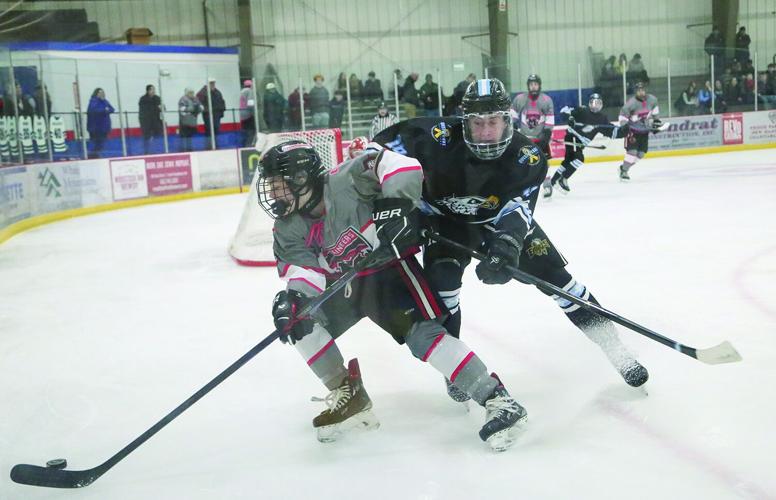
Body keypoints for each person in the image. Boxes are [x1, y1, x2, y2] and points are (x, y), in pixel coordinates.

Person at [373, 78, 649, 394]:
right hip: (444, 223)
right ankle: (456, 370)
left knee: (560, 282)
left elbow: (517, 214)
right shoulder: (434, 137)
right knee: (443, 286)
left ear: (508, 120)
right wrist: (395, 206)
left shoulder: (527, 157)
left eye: (494, 122)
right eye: (477, 123)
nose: (486, 131)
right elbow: (376, 149)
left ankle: (617, 351)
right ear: (465, 122)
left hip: (497, 222)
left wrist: (507, 247)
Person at [257, 139, 526, 451]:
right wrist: (295, 299)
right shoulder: (287, 226)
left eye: (279, 186)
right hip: (343, 284)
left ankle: (497, 398)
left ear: (302, 179)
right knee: (300, 324)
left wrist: (396, 203)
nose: (274, 195)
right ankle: (349, 394)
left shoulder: (349, 178)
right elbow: (303, 269)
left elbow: (403, 166)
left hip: (387, 271)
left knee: (424, 337)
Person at [543, 93, 629, 198]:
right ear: (589, 103)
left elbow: (612, 132)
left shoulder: (602, 119)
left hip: (580, 143)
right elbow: (564, 111)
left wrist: (624, 131)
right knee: (579, 158)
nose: (595, 105)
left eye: (598, 103)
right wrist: (570, 118)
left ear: (601, 105)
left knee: (568, 161)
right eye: (593, 103)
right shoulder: (582, 110)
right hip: (573, 137)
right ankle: (563, 179)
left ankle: (553, 181)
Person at [617, 81, 662, 181]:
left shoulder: (652, 100)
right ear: (635, 92)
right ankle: (624, 172)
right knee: (632, 152)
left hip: (644, 131)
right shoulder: (630, 104)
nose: (641, 92)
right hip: (632, 131)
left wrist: (656, 122)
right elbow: (622, 116)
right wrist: (625, 127)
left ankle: (623, 168)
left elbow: (655, 112)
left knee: (640, 154)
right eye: (638, 90)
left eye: (642, 90)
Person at [510, 74, 555, 157]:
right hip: (524, 140)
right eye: (531, 85)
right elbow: (512, 118)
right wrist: (513, 130)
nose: (533, 87)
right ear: (528, 86)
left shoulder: (547, 100)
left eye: (535, 84)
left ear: (539, 86)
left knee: (543, 166)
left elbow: (550, 121)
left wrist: (545, 137)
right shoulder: (520, 99)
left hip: (540, 140)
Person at [197, 78, 226, 149]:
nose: (212, 84)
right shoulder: (203, 92)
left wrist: (221, 111)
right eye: (211, 83)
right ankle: (209, 146)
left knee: (216, 130)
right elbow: (199, 103)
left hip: (216, 115)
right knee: (209, 130)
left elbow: (222, 101)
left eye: (213, 83)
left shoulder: (217, 92)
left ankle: (216, 145)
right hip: (208, 115)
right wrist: (205, 110)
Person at [86, 87, 115, 158]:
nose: (102, 94)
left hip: (104, 127)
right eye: (100, 92)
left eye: (103, 92)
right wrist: (105, 110)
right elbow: (95, 111)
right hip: (96, 127)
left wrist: (106, 110)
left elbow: (112, 109)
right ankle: (91, 156)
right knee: (96, 142)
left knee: (101, 143)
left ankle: (94, 155)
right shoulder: (93, 101)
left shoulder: (105, 101)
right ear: (96, 93)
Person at [138, 84, 163, 154]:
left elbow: (162, 108)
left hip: (156, 121)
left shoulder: (157, 98)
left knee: (157, 136)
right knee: (147, 137)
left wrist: (162, 108)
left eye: (154, 89)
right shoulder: (143, 99)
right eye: (152, 89)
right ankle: (147, 151)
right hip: (146, 122)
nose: (153, 91)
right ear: (148, 90)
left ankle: (155, 150)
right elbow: (144, 111)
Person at [178, 87, 201, 152]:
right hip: (184, 123)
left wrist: (197, 109)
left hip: (192, 122)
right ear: (186, 93)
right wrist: (192, 108)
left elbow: (200, 107)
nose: (192, 94)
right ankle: (183, 150)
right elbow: (182, 109)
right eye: (190, 92)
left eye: (192, 92)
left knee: (190, 137)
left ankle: (190, 149)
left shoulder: (196, 99)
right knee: (184, 137)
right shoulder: (182, 99)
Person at [239, 79, 257, 147]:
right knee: (251, 131)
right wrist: (254, 113)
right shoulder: (249, 91)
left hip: (242, 114)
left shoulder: (242, 92)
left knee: (245, 131)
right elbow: (250, 103)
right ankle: (249, 145)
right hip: (248, 114)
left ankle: (244, 144)